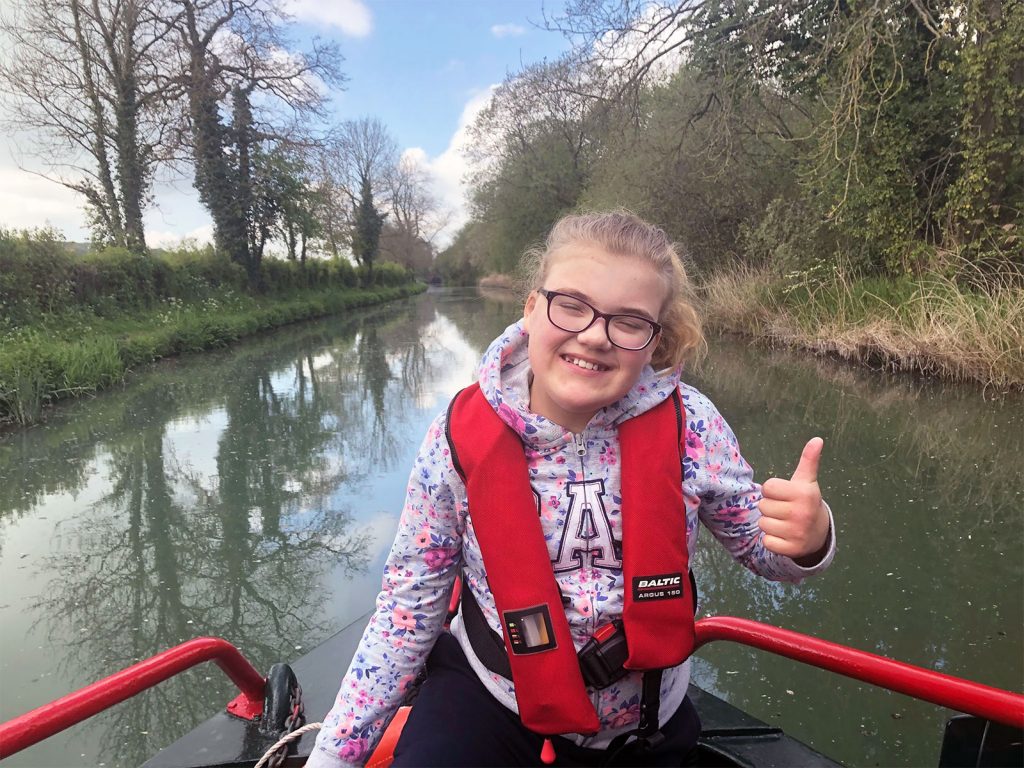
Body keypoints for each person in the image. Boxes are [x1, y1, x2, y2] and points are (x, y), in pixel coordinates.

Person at [307, 210, 835, 767]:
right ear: (532, 308)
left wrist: (809, 539)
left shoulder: (692, 426)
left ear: (654, 340)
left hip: (645, 724)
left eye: (629, 322)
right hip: (488, 707)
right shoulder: (456, 439)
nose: (593, 336)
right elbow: (409, 607)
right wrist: (334, 757)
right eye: (571, 305)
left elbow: (764, 553)